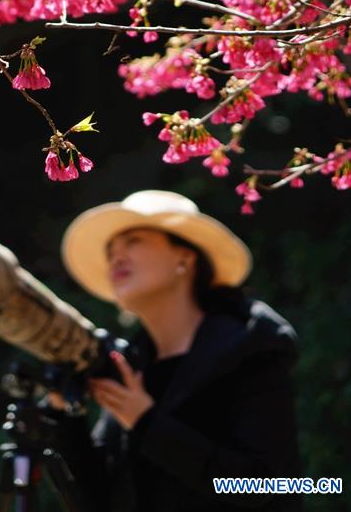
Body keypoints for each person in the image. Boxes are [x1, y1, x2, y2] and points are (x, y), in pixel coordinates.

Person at [50, 190, 304, 512]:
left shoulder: (252, 347)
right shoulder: (131, 366)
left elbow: (263, 485)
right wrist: (64, 416)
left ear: (185, 258)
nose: (116, 257)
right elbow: (97, 502)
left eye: (134, 240)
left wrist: (145, 421)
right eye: (111, 250)